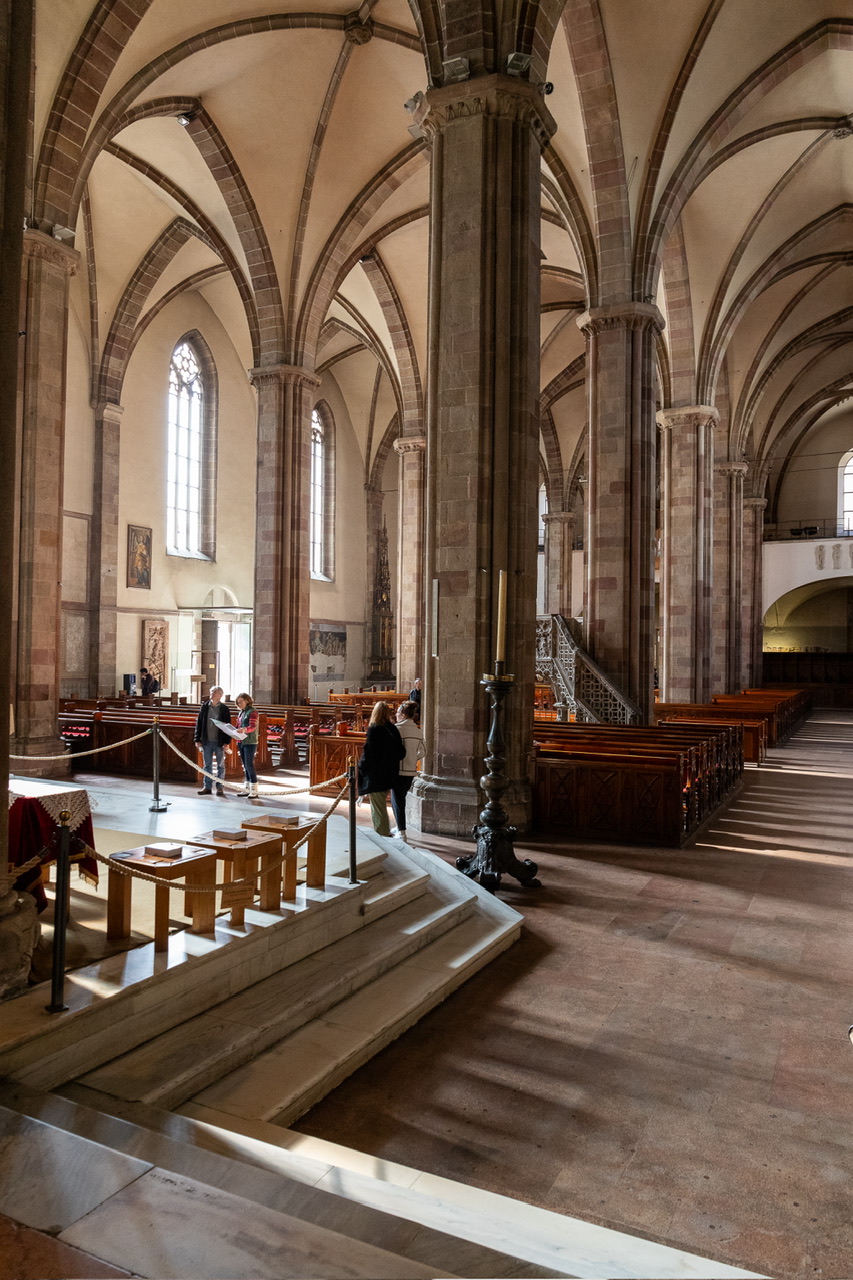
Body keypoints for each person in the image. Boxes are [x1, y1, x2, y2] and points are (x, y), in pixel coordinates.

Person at [357, 701, 405, 837]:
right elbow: (401, 752)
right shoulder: (392, 729)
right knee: (380, 805)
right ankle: (383, 833)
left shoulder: (375, 730)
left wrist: (361, 768)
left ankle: (382, 835)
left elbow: (369, 754)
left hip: (376, 774)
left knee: (378, 808)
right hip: (390, 773)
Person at [390, 700, 425, 842]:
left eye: (398, 712)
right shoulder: (417, 731)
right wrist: (413, 759)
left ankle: (402, 833)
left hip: (397, 770)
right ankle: (399, 827)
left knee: (397, 801)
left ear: (403, 714)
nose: (396, 714)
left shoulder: (396, 729)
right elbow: (423, 751)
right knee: (400, 799)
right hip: (410, 770)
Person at [194, 686, 231, 795]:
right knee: (207, 765)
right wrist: (197, 739)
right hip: (207, 740)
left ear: (220, 695)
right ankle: (207, 787)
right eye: (211, 692)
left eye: (215, 692)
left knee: (220, 765)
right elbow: (199, 723)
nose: (212, 694)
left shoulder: (224, 709)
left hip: (219, 741)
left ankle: (220, 787)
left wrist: (227, 742)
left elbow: (228, 726)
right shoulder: (205, 706)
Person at [235, 693, 259, 798]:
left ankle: (254, 788)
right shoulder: (241, 712)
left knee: (249, 764)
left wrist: (244, 729)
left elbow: (252, 726)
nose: (239, 704)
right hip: (241, 741)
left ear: (247, 701)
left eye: (241, 701)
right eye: (238, 702)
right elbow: (238, 725)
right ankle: (247, 787)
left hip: (250, 742)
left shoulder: (252, 711)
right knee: (245, 765)